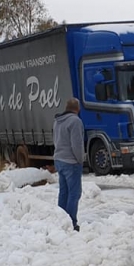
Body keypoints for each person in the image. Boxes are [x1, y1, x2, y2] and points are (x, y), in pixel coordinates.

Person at [54, 98, 85, 231]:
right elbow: (76, 144)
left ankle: (61, 220)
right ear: (77, 109)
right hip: (71, 162)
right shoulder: (75, 121)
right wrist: (80, 159)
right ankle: (72, 223)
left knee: (64, 192)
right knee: (74, 193)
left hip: (59, 159)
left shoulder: (57, 122)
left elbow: (55, 140)